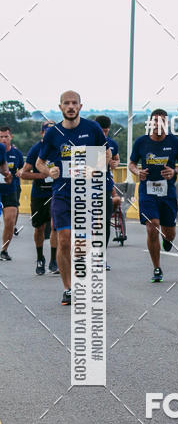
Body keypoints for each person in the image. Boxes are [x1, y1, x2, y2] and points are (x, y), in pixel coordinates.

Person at [36, 91, 108, 305]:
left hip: (86, 193)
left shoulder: (92, 129)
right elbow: (40, 162)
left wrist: (93, 169)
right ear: (60, 107)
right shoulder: (53, 133)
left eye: (74, 103)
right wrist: (50, 172)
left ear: (80, 106)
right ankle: (68, 288)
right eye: (66, 103)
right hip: (61, 193)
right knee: (64, 240)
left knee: (81, 244)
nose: (70, 106)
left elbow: (106, 156)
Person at [129, 109, 178, 283]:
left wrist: (174, 170)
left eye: (161, 121)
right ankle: (157, 267)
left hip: (167, 192)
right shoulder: (141, 142)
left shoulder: (174, 142)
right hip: (147, 191)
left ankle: (168, 240)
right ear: (150, 124)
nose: (158, 125)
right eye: (155, 121)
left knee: (169, 233)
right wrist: (137, 171)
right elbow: (132, 163)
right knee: (152, 225)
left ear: (167, 124)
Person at [21, 121, 58, 275]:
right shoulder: (37, 149)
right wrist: (42, 175)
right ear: (42, 134)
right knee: (39, 228)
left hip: (56, 193)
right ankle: (40, 257)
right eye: (47, 132)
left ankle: (54, 260)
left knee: (55, 226)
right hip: (39, 194)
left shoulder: (60, 147)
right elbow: (24, 173)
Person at [95, 115, 121, 269]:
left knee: (104, 223)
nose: (104, 135)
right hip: (87, 187)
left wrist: (114, 162)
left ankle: (101, 257)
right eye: (101, 131)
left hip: (105, 187)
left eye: (106, 131)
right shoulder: (87, 143)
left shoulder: (112, 144)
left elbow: (116, 159)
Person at [0, 126, 24, 261]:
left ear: (11, 137)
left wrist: (19, 173)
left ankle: (4, 250)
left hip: (11, 190)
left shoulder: (17, 153)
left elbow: (22, 169)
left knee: (9, 221)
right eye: (1, 137)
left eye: (6, 137)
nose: (3, 139)